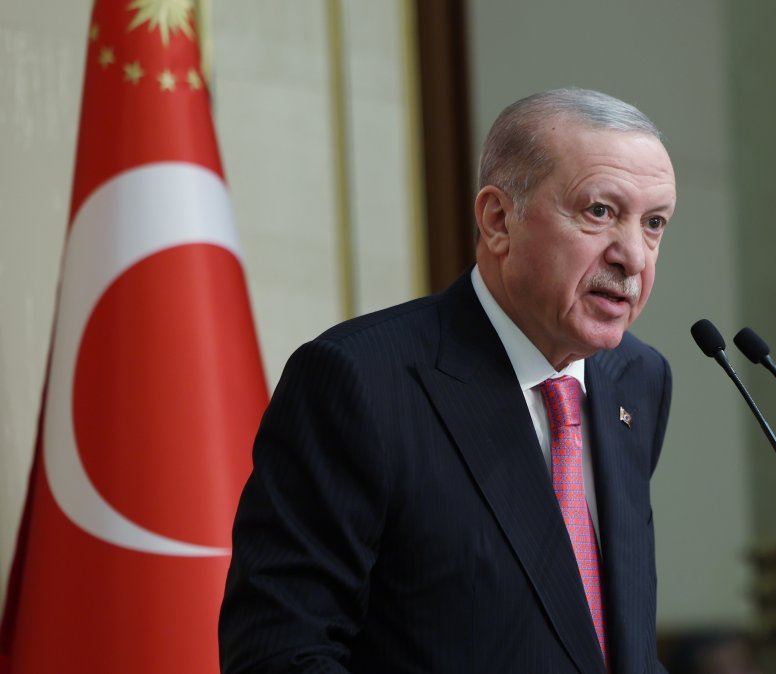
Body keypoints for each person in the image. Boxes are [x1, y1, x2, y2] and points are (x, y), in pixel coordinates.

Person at [219, 88, 677, 673]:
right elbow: (278, 653)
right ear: (497, 220)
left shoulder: (637, 380)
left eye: (655, 222)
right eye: (599, 212)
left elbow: (609, 646)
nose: (633, 257)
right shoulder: (359, 381)